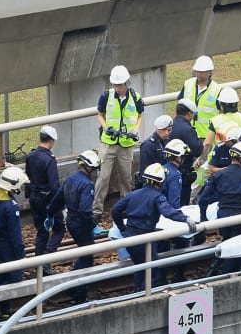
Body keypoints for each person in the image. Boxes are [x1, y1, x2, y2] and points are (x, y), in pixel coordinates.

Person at [112, 162, 196, 291]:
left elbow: (116, 210)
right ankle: (144, 296)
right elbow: (168, 212)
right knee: (151, 269)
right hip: (145, 238)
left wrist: (122, 228)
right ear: (161, 181)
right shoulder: (157, 197)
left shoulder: (133, 194)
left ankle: (137, 292)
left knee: (139, 267)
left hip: (129, 236)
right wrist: (186, 218)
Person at [48, 150, 103, 304]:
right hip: (81, 224)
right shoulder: (87, 185)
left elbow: (58, 199)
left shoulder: (69, 179)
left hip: (71, 222)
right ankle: (77, 291)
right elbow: (85, 210)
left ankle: (73, 285)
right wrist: (92, 222)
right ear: (90, 168)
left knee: (84, 253)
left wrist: (50, 214)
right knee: (88, 257)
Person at [93, 65, 144, 230]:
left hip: (126, 144)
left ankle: (126, 208)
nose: (118, 88)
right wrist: (107, 127)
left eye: (120, 85)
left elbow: (140, 115)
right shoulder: (106, 96)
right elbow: (100, 114)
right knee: (103, 177)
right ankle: (96, 210)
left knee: (125, 178)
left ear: (127, 83)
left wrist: (135, 130)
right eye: (116, 85)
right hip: (108, 142)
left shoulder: (135, 97)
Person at [197, 140, 241, 273]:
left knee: (227, 241)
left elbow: (203, 199)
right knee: (237, 246)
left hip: (222, 215)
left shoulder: (219, 175)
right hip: (240, 217)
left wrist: (203, 217)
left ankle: (221, 268)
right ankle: (230, 273)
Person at [0, 166, 29, 317]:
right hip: (8, 248)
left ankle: (5, 310)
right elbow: (15, 234)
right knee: (14, 278)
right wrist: (20, 252)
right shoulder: (11, 208)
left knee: (2, 276)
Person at [24, 125, 63, 277]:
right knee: (59, 229)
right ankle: (47, 258)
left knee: (42, 231)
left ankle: (39, 263)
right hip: (48, 200)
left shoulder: (30, 156)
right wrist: (59, 204)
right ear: (51, 140)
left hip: (34, 198)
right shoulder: (49, 159)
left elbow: (28, 174)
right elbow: (54, 185)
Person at [161, 138, 192, 282]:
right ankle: (178, 276)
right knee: (183, 242)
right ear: (178, 156)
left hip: (157, 214)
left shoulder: (161, 169)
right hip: (167, 216)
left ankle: (160, 278)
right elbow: (174, 202)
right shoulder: (175, 175)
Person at [197, 86, 241, 166]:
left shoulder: (216, 120)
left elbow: (207, 143)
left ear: (220, 104)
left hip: (218, 159)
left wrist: (199, 158)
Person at [177, 55, 221, 139]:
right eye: (197, 71)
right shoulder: (188, 84)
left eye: (202, 71)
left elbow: (221, 113)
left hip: (206, 135)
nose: (199, 73)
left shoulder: (216, 89)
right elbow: (178, 106)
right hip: (187, 132)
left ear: (210, 72)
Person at [169, 98, 202, 205]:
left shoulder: (170, 126)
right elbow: (197, 150)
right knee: (182, 203)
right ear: (189, 113)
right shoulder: (188, 129)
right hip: (183, 172)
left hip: (168, 170)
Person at [137, 114, 173, 187]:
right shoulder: (148, 145)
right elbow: (145, 171)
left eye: (169, 130)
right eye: (163, 130)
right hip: (154, 185)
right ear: (157, 129)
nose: (166, 133)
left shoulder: (168, 142)